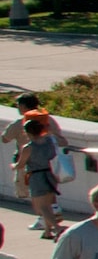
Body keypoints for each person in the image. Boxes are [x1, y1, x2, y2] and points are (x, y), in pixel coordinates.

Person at [8, 93, 71, 240]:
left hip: (36, 176)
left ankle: (56, 228)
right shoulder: (49, 141)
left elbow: (21, 165)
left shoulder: (29, 147)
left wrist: (14, 165)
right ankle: (47, 231)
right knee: (49, 203)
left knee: (41, 207)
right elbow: (61, 144)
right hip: (50, 175)